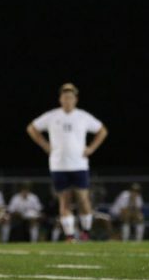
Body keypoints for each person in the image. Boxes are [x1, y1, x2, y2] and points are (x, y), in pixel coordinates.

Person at [27, 83, 108, 241]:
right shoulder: (52, 116)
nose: (67, 100)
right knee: (64, 201)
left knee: (83, 200)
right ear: (60, 99)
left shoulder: (83, 116)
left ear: (75, 99)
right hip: (58, 165)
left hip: (79, 164)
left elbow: (102, 131)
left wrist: (91, 148)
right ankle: (70, 236)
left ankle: (85, 232)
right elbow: (32, 128)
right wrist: (44, 145)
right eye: (65, 97)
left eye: (70, 97)